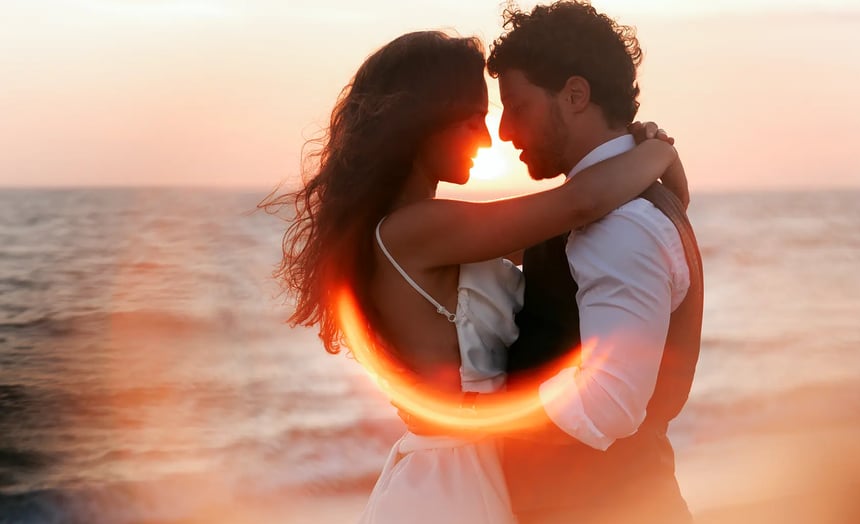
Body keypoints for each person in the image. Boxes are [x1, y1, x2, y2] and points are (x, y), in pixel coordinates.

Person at [261, 30, 686, 524]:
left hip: (472, 462)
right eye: (472, 122)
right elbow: (581, 203)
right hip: (451, 481)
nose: (488, 140)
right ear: (423, 125)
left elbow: (569, 242)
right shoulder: (416, 229)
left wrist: (660, 199)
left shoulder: (434, 230)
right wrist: (661, 156)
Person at [482, 2, 705, 522]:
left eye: (517, 106)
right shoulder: (616, 208)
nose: (507, 131)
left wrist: (472, 421)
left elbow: (609, 401)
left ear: (575, 95)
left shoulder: (621, 224)